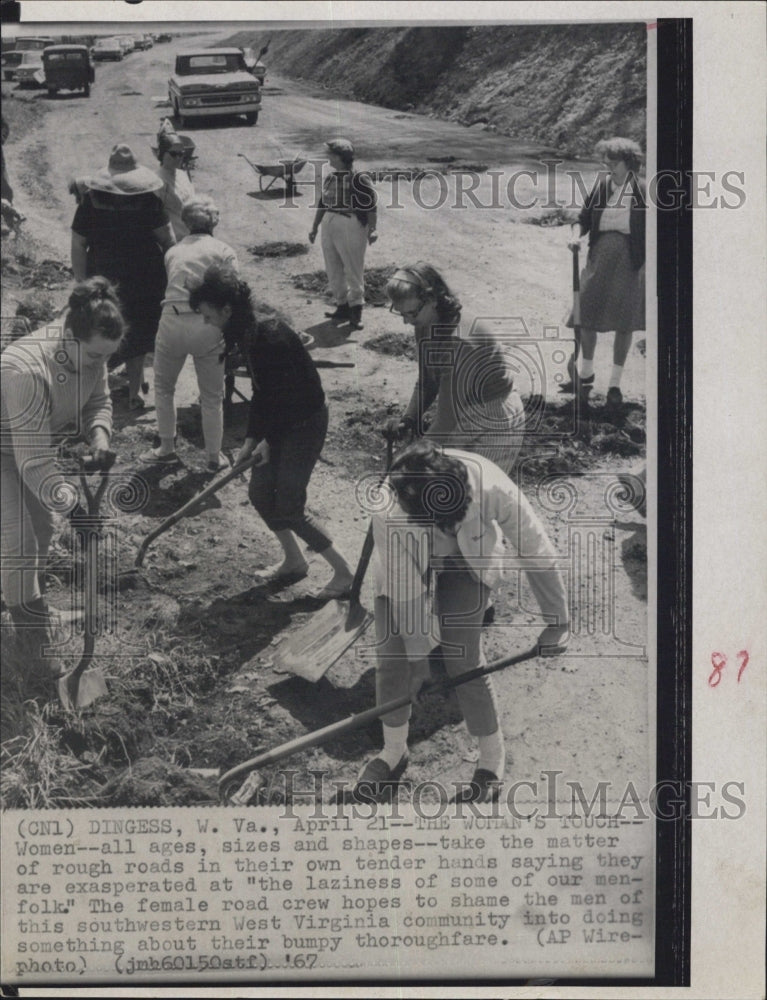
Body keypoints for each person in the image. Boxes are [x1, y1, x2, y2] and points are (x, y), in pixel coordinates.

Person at [356, 441, 570, 803]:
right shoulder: (387, 510)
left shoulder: (488, 482)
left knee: (463, 658)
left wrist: (558, 621)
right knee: (392, 660)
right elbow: (405, 592)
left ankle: (491, 757)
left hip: (467, 557)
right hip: (404, 559)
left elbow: (533, 544)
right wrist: (418, 660)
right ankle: (393, 751)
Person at [187, 265, 354, 599]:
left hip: (305, 423)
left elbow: (289, 400)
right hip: (282, 421)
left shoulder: (270, 336)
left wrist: (267, 441)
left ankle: (344, 572)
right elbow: (264, 394)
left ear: (226, 310)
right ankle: (294, 561)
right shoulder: (248, 332)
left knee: (290, 504)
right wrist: (251, 440)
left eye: (208, 316)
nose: (206, 323)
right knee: (261, 494)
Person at [0, 277, 123, 659]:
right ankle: (29, 643)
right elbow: (33, 464)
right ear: (70, 336)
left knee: (41, 528)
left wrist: (100, 437)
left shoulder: (91, 350)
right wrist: (75, 508)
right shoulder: (27, 370)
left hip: (27, 446)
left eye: (108, 357)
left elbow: (97, 400)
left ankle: (34, 610)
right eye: (96, 357)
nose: (102, 364)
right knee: (17, 536)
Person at [382, 262, 526, 476]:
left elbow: (446, 421)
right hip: (463, 413)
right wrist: (408, 419)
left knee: (478, 496)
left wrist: (405, 460)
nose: (406, 321)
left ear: (431, 299)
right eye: (401, 313)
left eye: (411, 313)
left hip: (494, 418)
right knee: (442, 492)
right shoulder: (424, 324)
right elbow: (427, 382)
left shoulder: (458, 342)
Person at [70, 144, 175, 410]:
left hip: (104, 274)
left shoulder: (91, 201)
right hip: (145, 275)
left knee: (100, 328)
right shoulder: (149, 200)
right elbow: (168, 241)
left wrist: (82, 282)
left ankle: (97, 391)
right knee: (138, 331)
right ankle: (134, 392)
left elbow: (78, 244)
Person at [140, 198, 238, 472]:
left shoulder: (173, 252)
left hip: (172, 319)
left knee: (164, 388)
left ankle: (167, 448)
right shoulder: (223, 250)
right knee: (211, 396)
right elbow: (233, 292)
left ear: (185, 222)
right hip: (208, 323)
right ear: (213, 223)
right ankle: (213, 457)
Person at [562, 137, 646, 409]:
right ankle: (586, 375)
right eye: (606, 161)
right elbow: (582, 219)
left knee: (624, 322)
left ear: (629, 163)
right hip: (599, 256)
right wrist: (575, 236)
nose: (608, 165)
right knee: (586, 315)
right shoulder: (602, 187)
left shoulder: (643, 190)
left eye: (614, 161)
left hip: (630, 261)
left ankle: (614, 385)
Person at [308, 138, 378, 330]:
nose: (327, 157)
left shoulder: (359, 178)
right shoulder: (331, 177)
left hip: (350, 222)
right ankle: (342, 305)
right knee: (332, 266)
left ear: (339, 157)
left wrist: (373, 229)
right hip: (329, 222)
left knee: (353, 268)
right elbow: (323, 202)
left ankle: (356, 310)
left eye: (330, 154)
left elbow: (371, 205)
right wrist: (314, 227)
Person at [153, 124, 196, 240]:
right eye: (173, 154)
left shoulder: (182, 175)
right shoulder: (157, 181)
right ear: (162, 154)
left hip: (191, 235)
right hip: (174, 239)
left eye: (181, 154)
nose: (178, 158)